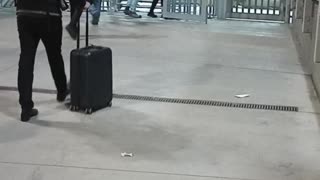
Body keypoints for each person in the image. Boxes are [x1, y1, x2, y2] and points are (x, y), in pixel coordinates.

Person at [16, 0, 69, 122]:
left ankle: (25, 107)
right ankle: (62, 91)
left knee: (26, 58)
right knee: (54, 55)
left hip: (24, 13)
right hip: (49, 14)